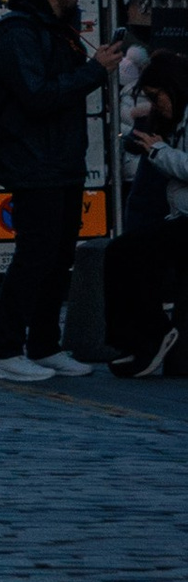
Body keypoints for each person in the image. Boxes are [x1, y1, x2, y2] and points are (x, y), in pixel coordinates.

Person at [0, 0, 126, 384]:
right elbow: (37, 95)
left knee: (58, 257)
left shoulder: (56, 30)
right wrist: (95, 70)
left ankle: (44, 345)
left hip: (62, 158)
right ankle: (2, 350)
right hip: (33, 160)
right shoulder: (18, 33)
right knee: (34, 255)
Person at [110, 50, 188, 378]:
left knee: (133, 252)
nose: (156, 105)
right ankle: (133, 341)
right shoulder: (177, 119)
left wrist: (158, 150)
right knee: (123, 251)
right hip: (179, 215)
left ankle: (152, 335)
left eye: (157, 97)